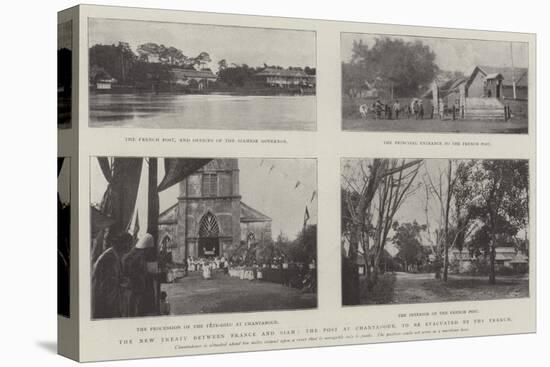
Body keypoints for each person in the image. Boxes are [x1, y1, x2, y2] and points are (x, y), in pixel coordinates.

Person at [92, 232, 133, 319]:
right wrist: (124, 285)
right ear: (121, 244)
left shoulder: (115, 254)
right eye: (128, 244)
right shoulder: (110, 259)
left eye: (130, 244)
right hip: (106, 302)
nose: (130, 247)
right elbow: (109, 287)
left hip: (108, 298)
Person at [123, 233, 154, 317]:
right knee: (131, 308)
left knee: (135, 307)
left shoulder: (140, 255)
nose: (149, 252)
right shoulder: (134, 256)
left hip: (137, 287)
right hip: (133, 287)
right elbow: (128, 271)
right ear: (145, 248)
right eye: (149, 249)